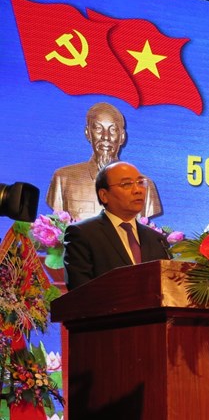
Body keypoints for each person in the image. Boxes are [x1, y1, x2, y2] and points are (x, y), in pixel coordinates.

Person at [63, 161, 170, 290]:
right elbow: (80, 291)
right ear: (104, 195)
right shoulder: (83, 234)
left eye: (141, 182)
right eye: (126, 184)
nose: (138, 190)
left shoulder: (157, 240)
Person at [46, 102, 162, 220]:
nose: (105, 137)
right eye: (98, 128)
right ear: (87, 133)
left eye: (113, 130)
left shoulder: (144, 186)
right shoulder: (63, 178)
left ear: (122, 137)